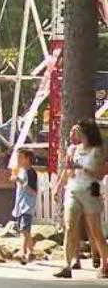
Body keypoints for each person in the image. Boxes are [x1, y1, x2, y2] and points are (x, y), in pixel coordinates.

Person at [53, 119, 108, 279]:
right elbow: (68, 171)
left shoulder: (97, 151)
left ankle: (105, 263)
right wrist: (59, 185)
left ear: (87, 132)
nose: (76, 133)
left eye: (79, 130)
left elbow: (99, 173)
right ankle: (67, 265)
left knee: (95, 230)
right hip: (73, 190)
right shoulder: (74, 149)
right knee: (70, 227)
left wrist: (84, 168)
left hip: (90, 191)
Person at [11, 148, 38, 264]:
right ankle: (31, 253)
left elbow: (33, 191)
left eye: (20, 157)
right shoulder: (21, 171)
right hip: (21, 205)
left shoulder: (30, 172)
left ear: (27, 159)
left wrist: (19, 180)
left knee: (24, 229)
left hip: (28, 205)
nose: (18, 160)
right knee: (25, 230)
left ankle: (22, 252)